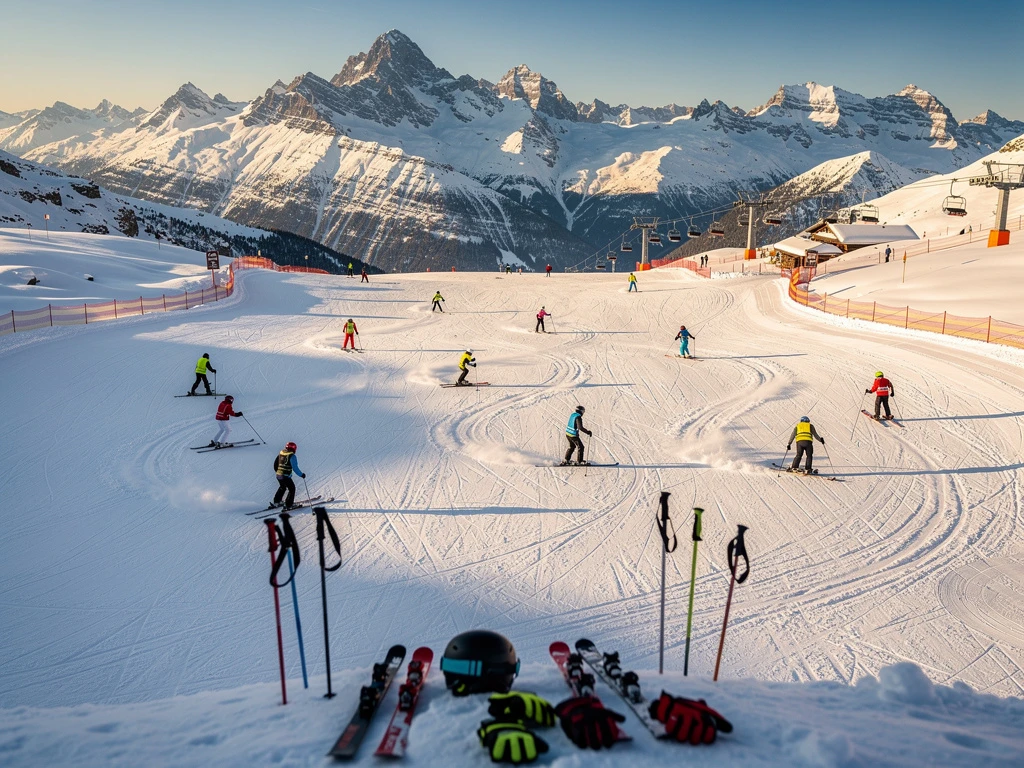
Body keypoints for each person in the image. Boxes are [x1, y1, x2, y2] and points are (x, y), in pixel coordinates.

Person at [271, 441, 305, 510]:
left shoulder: (281, 453)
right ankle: (288, 505)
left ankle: (276, 502)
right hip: (285, 476)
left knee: (282, 487)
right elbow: (295, 468)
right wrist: (301, 475)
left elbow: (275, 464)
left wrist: (278, 472)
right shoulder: (292, 456)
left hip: (278, 475)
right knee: (292, 489)